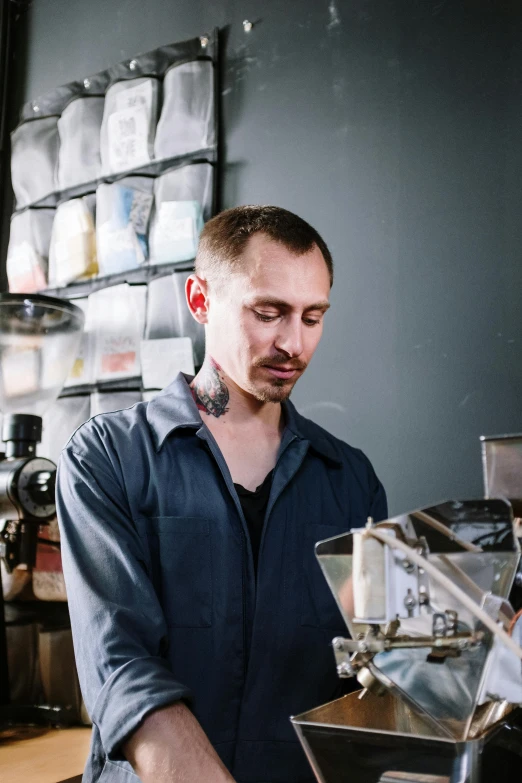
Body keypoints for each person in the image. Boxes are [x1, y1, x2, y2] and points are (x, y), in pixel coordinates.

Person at [56, 205, 387, 783]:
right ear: (200, 299)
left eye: (313, 317)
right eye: (269, 312)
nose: (293, 343)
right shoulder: (108, 458)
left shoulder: (351, 480)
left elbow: (370, 673)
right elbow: (123, 668)